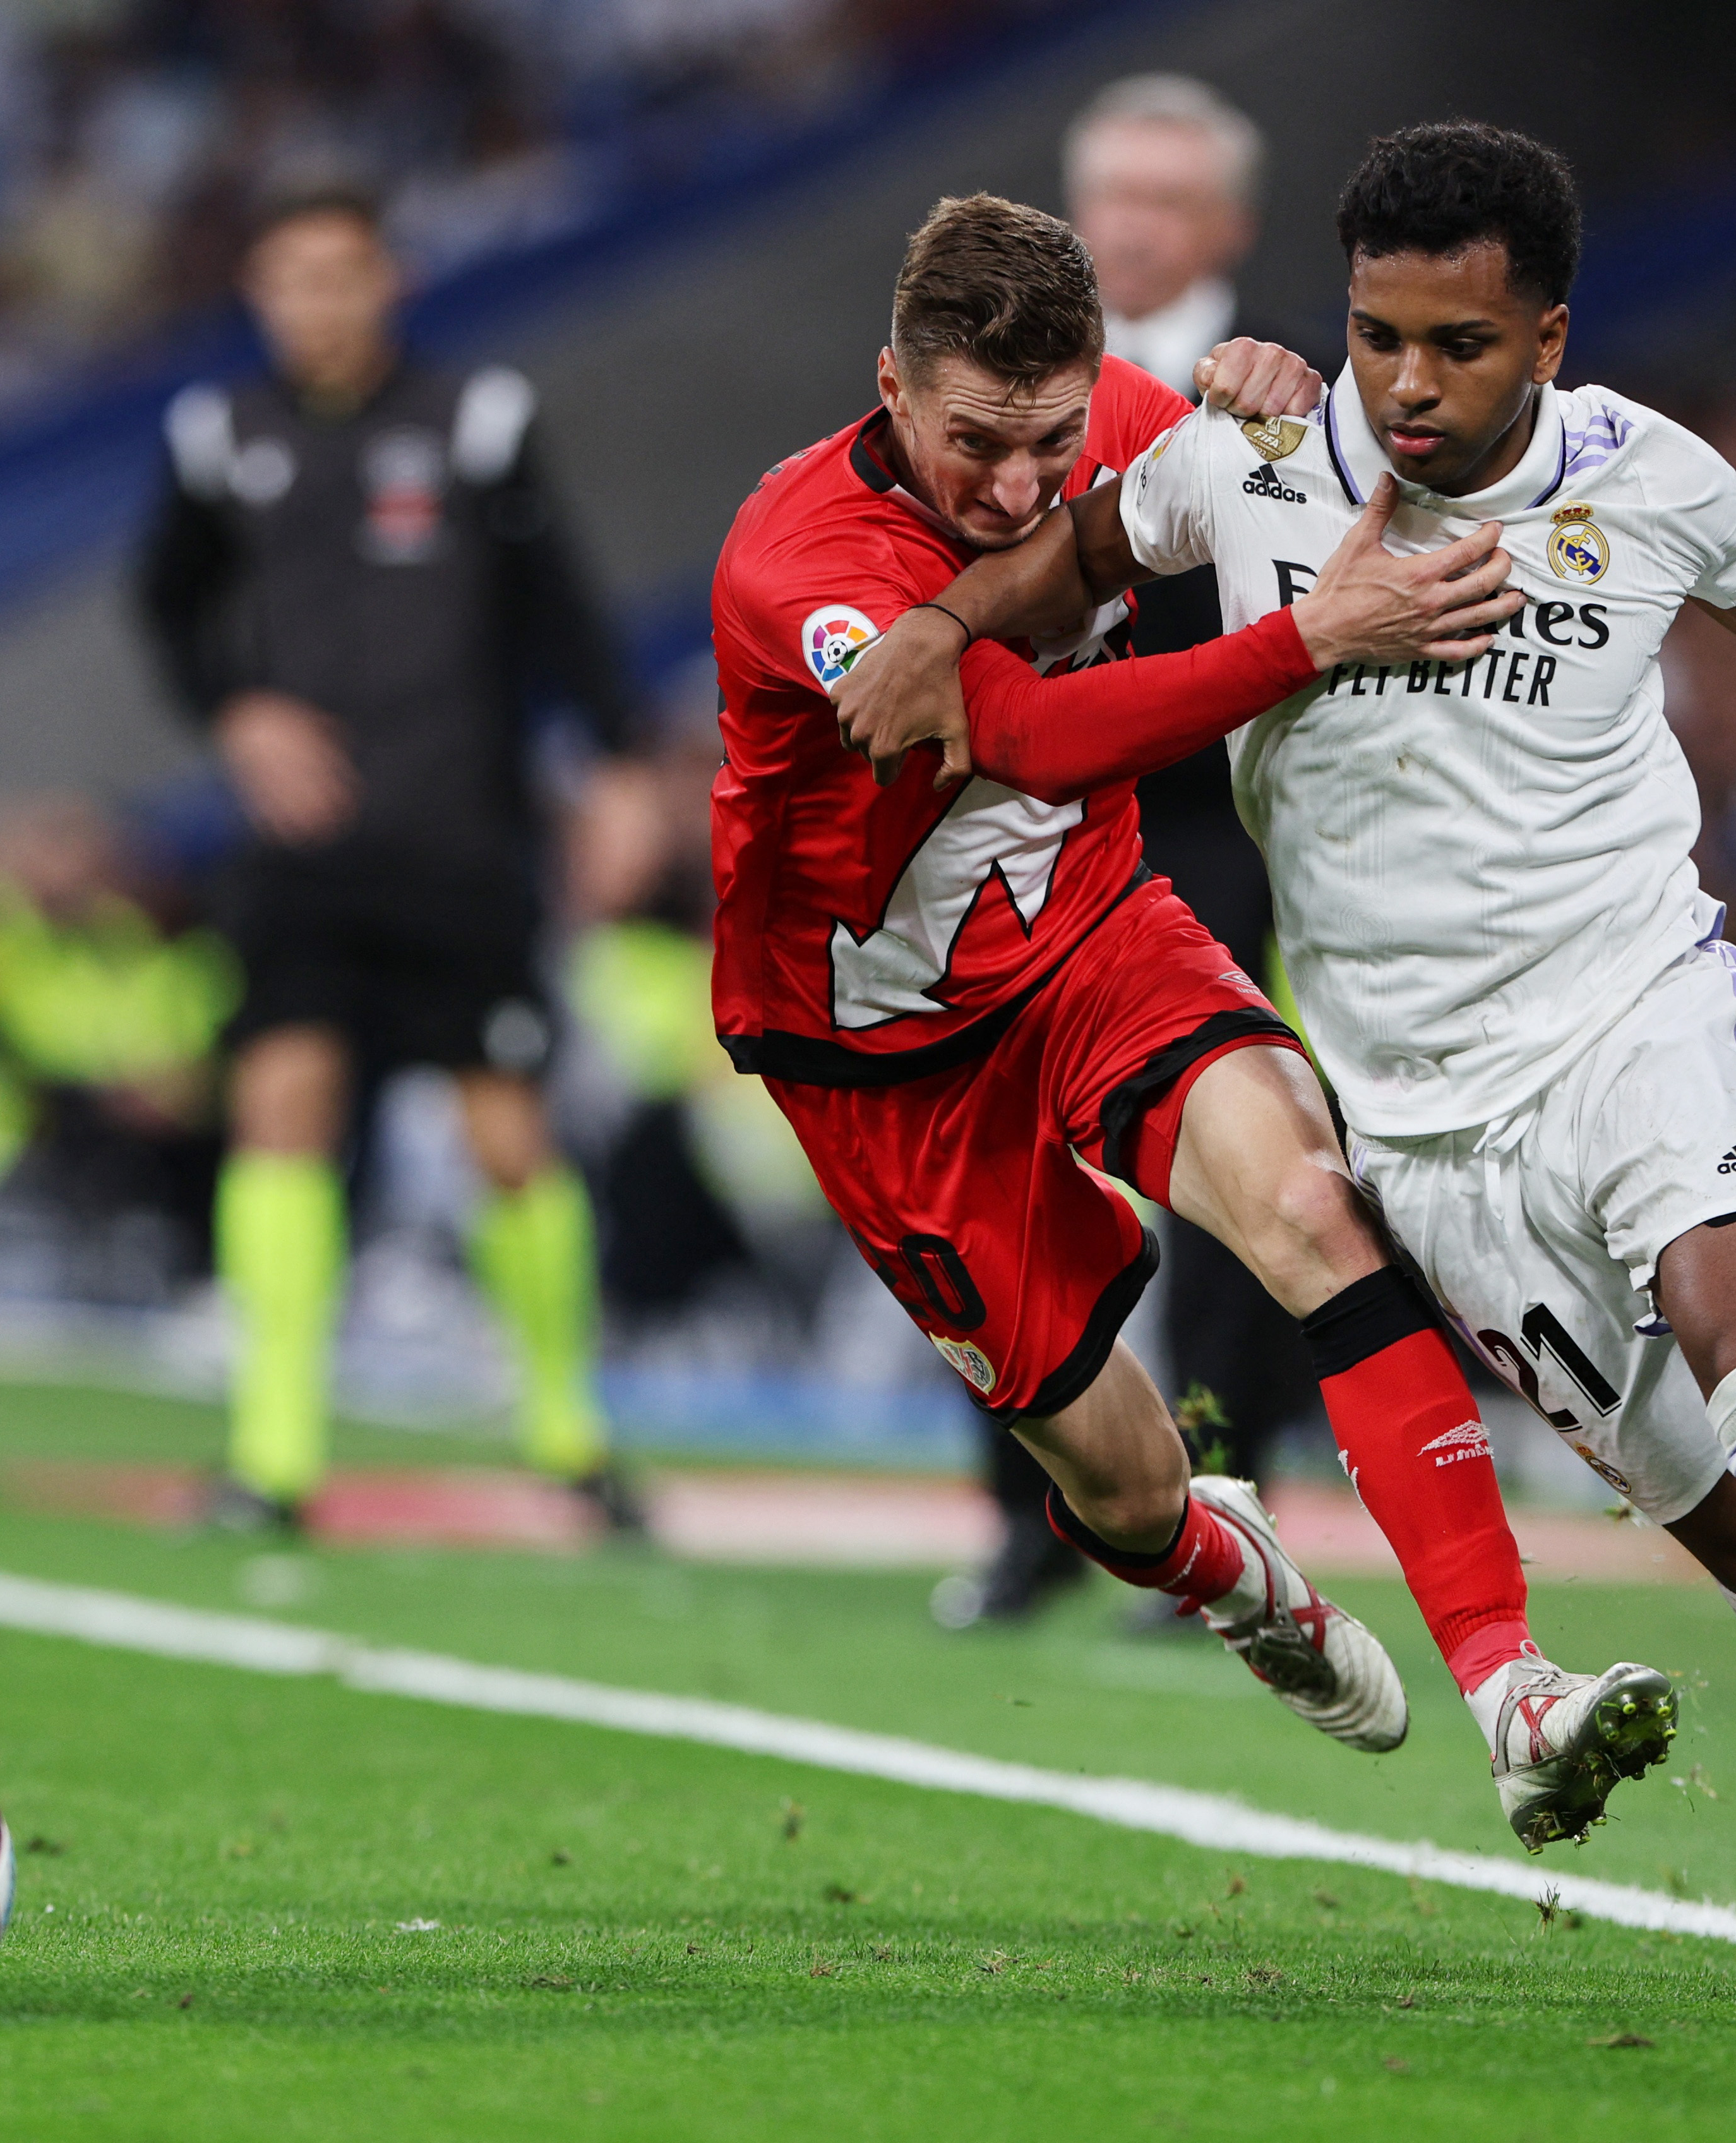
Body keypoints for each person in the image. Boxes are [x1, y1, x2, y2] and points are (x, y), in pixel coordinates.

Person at [832, 124, 1736, 2026]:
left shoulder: (1652, 479)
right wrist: (936, 626)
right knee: (1732, 1529)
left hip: (1635, 1009)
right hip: (1423, 1117)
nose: (1408, 384)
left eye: (1459, 345)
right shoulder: (1245, 459)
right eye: (1375, 337)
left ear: (1550, 338)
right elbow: (1066, 556)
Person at [713, 191, 1681, 1848]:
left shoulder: (1137, 423)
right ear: (891, 386)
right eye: (973, 446)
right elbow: (1029, 733)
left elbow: (1330, 505)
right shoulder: (798, 561)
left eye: (1051, 440)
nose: (1020, 487)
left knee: (1313, 1206)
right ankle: (1226, 1566)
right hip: (879, 1053)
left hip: (1098, 934)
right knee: (1122, 1487)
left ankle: (1512, 1686)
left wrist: (1287, 413)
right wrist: (1310, 637)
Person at [138, 189, 645, 1536]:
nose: (315, 302)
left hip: (457, 835)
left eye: (339, 275)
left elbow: (560, 607)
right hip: (298, 850)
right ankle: (274, 1451)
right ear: (256, 291)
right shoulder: (217, 437)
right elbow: (167, 605)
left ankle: (569, 1436)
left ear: (388, 282)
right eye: (288, 278)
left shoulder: (477, 424)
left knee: (504, 1129)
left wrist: (614, 764)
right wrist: (237, 711)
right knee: (281, 1105)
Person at [949, 75, 1325, 1630]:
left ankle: (1223, 1490)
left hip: (1208, 814)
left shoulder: (1305, 386)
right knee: (996, 1149)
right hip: (1020, 815)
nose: (1135, 228)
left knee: (1232, 1153)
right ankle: (1035, 1511)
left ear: (1225, 225)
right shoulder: (995, 376)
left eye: (1168, 201)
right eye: (1112, 197)